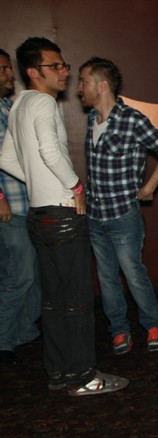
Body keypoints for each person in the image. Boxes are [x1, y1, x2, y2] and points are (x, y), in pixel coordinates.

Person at [0, 37, 128, 395]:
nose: (64, 72)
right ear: (32, 71)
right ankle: (84, 377)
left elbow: (5, 157)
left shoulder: (19, 103)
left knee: (54, 301)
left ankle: (58, 372)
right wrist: (75, 186)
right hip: (62, 213)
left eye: (64, 65)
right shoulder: (42, 102)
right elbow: (48, 150)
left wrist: (38, 181)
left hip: (39, 212)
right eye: (54, 66)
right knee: (77, 300)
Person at [76, 57, 158, 355]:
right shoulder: (91, 119)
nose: (79, 88)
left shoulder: (132, 119)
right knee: (106, 278)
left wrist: (149, 187)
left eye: (84, 81)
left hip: (123, 216)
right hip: (95, 216)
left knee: (133, 274)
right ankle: (119, 330)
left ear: (102, 85)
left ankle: (153, 325)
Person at [0, 48, 41, 366]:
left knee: (26, 274)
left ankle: (22, 331)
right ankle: (3, 340)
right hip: (9, 207)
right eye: (2, 69)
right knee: (20, 275)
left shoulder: (7, 106)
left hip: (24, 203)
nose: (9, 74)